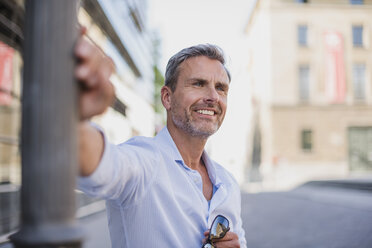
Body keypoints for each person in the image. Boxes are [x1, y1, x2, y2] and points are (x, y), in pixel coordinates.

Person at [75, 33, 247, 248]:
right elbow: (93, 161)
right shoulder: (143, 162)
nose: (213, 96)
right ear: (167, 97)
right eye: (198, 84)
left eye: (221, 88)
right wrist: (75, 116)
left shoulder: (227, 184)